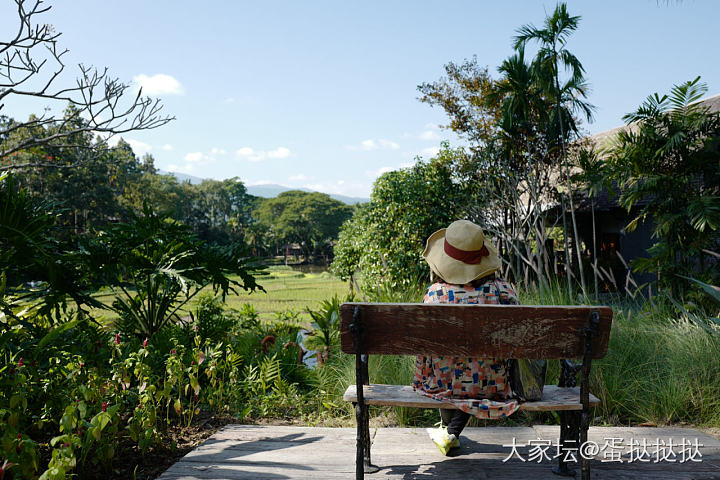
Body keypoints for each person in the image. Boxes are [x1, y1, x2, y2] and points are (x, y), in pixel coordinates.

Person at [412, 219, 520, 455]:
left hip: (440, 382)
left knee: (447, 365)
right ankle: (451, 432)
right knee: (475, 368)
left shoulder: (435, 294)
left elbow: (423, 346)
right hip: (494, 383)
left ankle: (449, 431)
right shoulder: (503, 293)